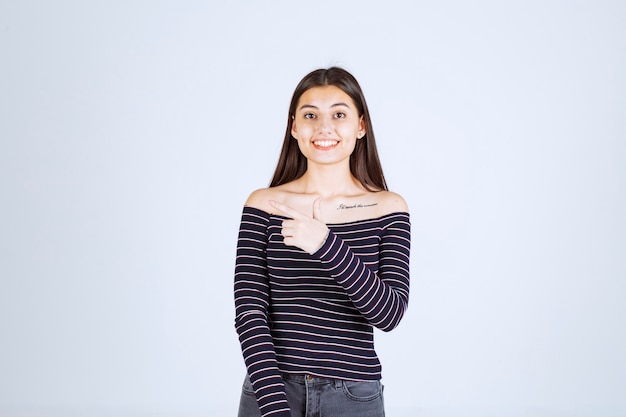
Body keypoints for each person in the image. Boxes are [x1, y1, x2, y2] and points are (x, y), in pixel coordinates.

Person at [234, 67, 411, 417]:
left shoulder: (388, 207)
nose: (324, 127)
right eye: (310, 115)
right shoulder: (264, 204)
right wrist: (273, 406)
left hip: (353, 396)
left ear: (360, 126)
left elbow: (389, 314)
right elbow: (250, 312)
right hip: (271, 390)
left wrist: (325, 244)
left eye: (339, 114)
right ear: (294, 126)